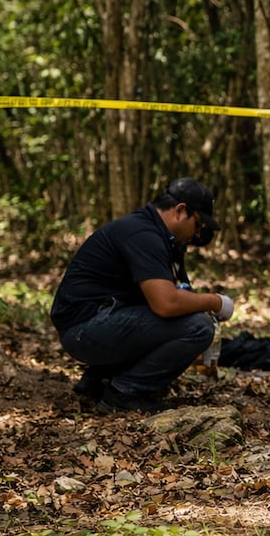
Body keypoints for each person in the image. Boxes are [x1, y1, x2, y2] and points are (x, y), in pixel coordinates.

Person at [50, 177, 235, 413]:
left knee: (187, 319)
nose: (198, 234)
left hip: (92, 323)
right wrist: (214, 302)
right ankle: (124, 392)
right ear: (180, 211)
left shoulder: (160, 235)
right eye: (197, 224)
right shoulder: (142, 234)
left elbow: (178, 292)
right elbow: (166, 304)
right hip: (83, 329)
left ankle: (98, 381)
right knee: (198, 327)